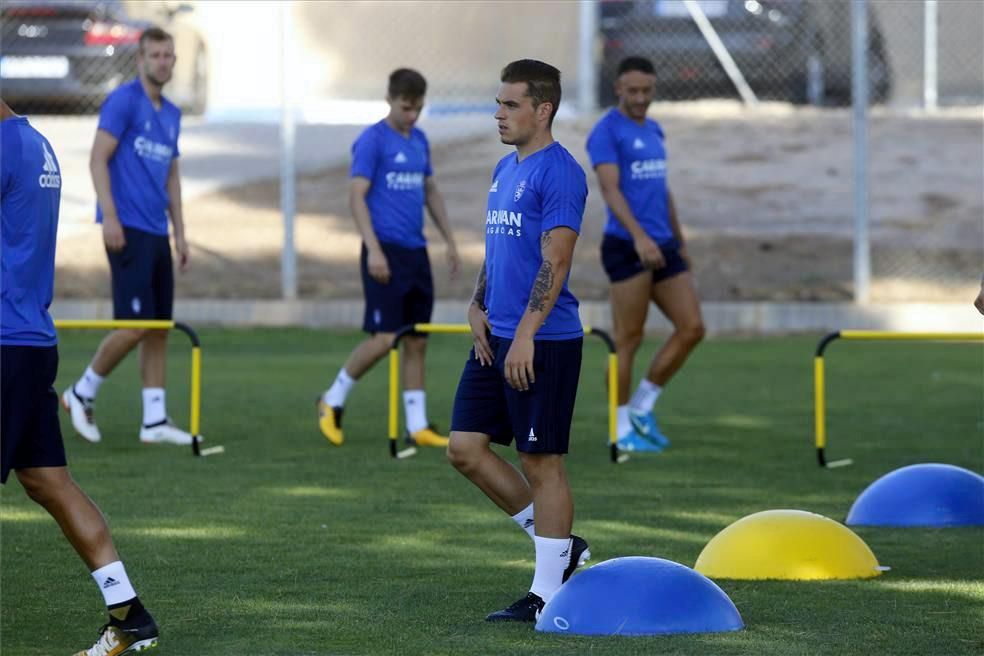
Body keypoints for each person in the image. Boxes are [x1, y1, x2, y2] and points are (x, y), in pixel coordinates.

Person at [1, 98, 159, 655]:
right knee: (48, 482)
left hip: (5, 343)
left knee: (52, 483)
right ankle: (129, 613)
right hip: (31, 341)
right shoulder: (34, 143)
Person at [446, 59, 590, 623]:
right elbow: (499, 248)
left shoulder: (561, 173)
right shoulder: (506, 168)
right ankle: (560, 548)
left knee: (541, 463)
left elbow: (556, 259)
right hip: (496, 336)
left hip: (544, 340)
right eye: (498, 103)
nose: (498, 113)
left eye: (510, 104)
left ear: (543, 109)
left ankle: (547, 594)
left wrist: (526, 335)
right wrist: (478, 303)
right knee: (465, 448)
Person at [62, 27, 194, 446]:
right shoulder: (123, 102)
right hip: (127, 230)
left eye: (168, 55)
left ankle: (154, 421)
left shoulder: (172, 114)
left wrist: (181, 233)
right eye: (155, 55)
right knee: (134, 325)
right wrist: (111, 217)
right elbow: (98, 160)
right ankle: (81, 391)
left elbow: (172, 176)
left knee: (158, 328)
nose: (162, 61)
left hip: (157, 232)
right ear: (139, 59)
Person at [318, 68, 460, 448]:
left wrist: (449, 239)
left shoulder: (420, 141)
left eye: (418, 108)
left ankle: (417, 425)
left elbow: (430, 190)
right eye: (406, 107)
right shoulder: (372, 141)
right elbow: (356, 196)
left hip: (416, 252)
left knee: (417, 340)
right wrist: (374, 249)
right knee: (384, 338)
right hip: (385, 251)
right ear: (390, 100)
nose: (412, 115)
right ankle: (331, 400)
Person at [585, 56, 705, 453]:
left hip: (664, 244)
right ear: (618, 88)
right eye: (632, 91)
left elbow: (661, 189)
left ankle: (641, 406)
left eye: (647, 91)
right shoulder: (606, 132)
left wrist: (678, 238)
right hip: (627, 245)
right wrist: (639, 237)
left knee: (692, 328)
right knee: (628, 339)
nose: (640, 98)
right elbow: (611, 190)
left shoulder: (654, 129)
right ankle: (619, 431)